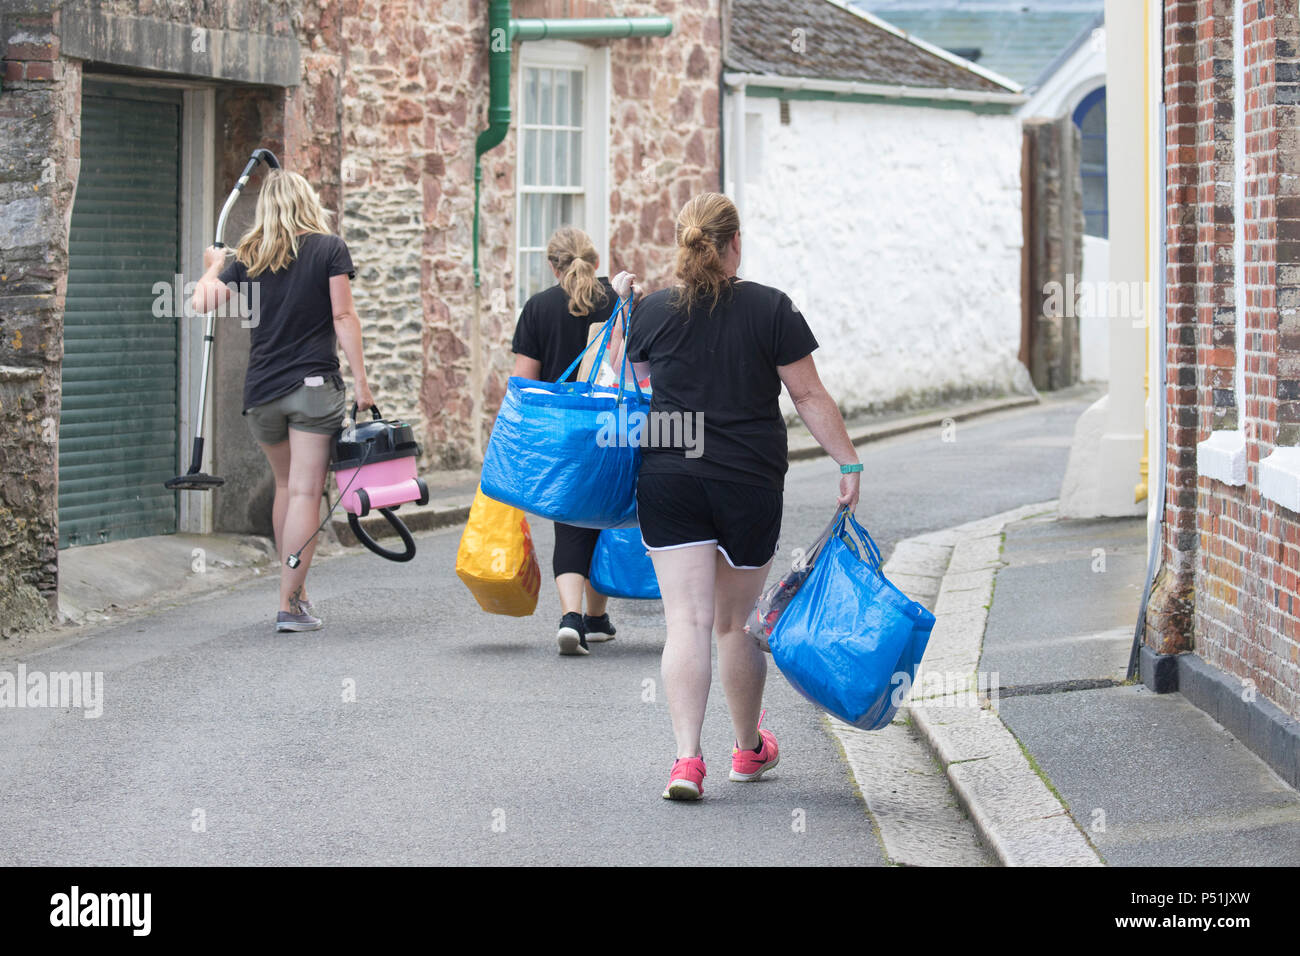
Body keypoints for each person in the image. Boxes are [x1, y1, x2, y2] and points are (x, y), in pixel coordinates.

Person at [625, 192, 862, 800]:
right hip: (748, 480)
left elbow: (635, 392)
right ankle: (748, 750)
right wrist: (847, 460)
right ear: (735, 244)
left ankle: (685, 762)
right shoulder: (771, 308)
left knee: (686, 620)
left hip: (669, 476)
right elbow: (809, 396)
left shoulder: (651, 312)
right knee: (735, 624)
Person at [191, 170, 374, 633]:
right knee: (307, 492)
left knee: (287, 488)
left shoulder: (249, 255)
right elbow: (343, 315)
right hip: (312, 390)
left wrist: (213, 265)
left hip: (262, 394)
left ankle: (297, 591)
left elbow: (200, 303)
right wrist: (363, 385)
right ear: (307, 201)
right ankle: (289, 605)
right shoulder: (329, 248)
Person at [511, 226, 632, 656]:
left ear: (552, 265)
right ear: (596, 262)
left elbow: (525, 384)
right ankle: (597, 618)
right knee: (605, 517)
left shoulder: (538, 307)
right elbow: (630, 365)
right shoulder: (618, 303)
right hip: (610, 427)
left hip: (560, 431)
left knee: (571, 520)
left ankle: (572, 618)